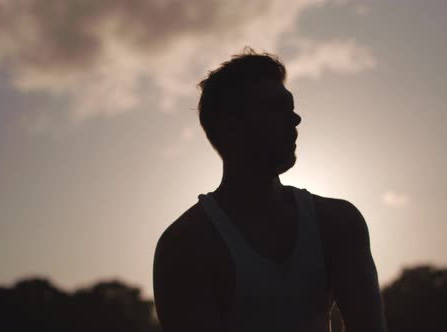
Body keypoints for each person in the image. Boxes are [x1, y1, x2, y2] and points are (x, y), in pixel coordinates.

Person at [153, 47, 387, 332]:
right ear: (229, 126)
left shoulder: (338, 223)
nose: (295, 119)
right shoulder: (187, 244)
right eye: (276, 108)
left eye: (291, 107)